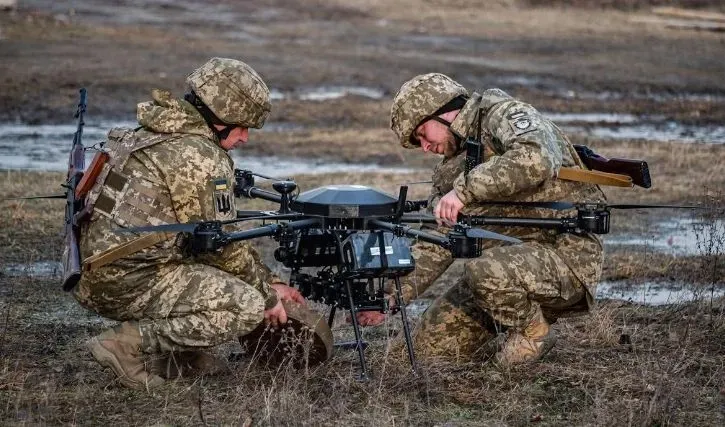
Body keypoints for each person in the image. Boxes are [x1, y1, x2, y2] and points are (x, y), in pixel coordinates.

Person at [73, 57, 304, 390]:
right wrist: (269, 294)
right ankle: (126, 346)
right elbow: (223, 247)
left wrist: (267, 279)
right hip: (126, 280)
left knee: (210, 264)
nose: (245, 138)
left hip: (100, 270)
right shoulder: (198, 156)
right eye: (241, 125)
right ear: (219, 115)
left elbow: (206, 239)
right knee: (245, 305)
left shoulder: (156, 132)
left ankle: (179, 355)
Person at [361, 73, 607, 365]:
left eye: (422, 135)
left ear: (441, 111)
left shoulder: (501, 114)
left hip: (564, 257)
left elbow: (538, 157)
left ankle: (534, 332)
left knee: (482, 270)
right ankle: (508, 319)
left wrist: (465, 191)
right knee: (420, 354)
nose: (424, 147)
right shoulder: (449, 169)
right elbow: (435, 240)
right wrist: (389, 297)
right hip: (500, 271)